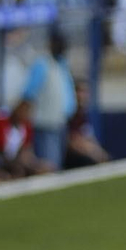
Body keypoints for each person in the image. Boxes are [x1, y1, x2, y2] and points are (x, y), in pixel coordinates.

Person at [22, 30, 78, 168]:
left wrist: (70, 110)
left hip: (61, 121)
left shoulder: (62, 65)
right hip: (45, 122)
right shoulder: (42, 64)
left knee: (57, 161)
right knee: (48, 162)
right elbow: (29, 93)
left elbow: (67, 92)